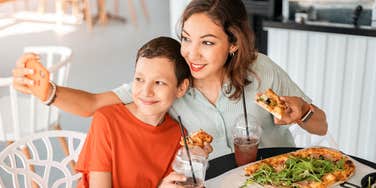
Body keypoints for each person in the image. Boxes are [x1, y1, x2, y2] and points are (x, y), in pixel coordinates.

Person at [13, 0, 327, 160]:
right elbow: (94, 104)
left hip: (281, 174)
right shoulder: (173, 76)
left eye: (207, 42)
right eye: (186, 38)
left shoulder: (262, 69)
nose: (192, 54)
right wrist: (47, 91)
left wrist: (304, 112)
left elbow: (321, 126)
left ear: (234, 44)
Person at [70, 37, 193, 187]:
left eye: (159, 82)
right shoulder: (106, 121)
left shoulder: (179, 136)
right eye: (139, 79)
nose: (146, 92)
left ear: (181, 88)